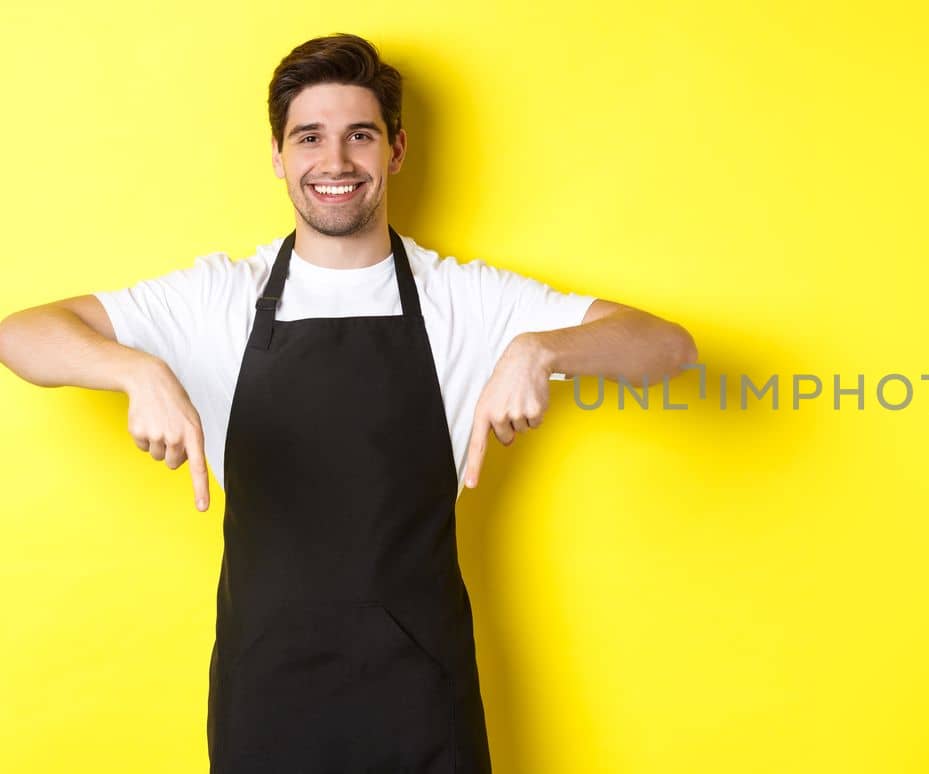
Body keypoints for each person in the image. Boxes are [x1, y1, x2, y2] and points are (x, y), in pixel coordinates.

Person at [0, 32, 696, 773]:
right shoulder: (217, 298)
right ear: (277, 156)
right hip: (265, 696)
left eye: (359, 136)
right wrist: (134, 370)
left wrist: (543, 350)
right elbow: (22, 334)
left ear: (394, 150)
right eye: (310, 138)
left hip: (422, 699)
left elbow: (666, 347)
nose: (334, 163)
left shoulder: (464, 300)